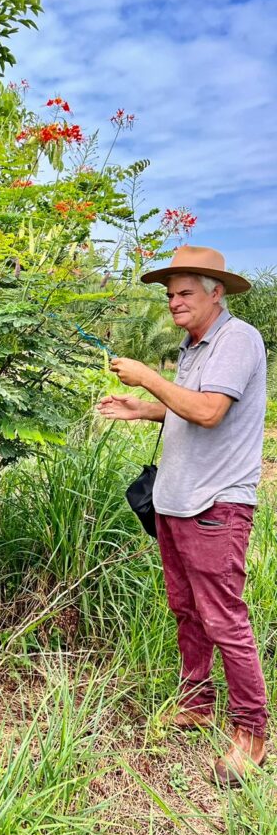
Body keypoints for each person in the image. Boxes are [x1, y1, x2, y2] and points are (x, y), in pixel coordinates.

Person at [97, 245, 268, 785]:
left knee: (224, 618)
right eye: (169, 294)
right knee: (187, 611)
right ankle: (196, 705)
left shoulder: (238, 339)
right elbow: (186, 405)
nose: (174, 302)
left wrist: (148, 378)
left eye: (185, 292)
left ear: (216, 292)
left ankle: (251, 731)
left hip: (216, 503)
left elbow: (210, 412)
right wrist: (143, 407)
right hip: (175, 500)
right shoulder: (192, 349)